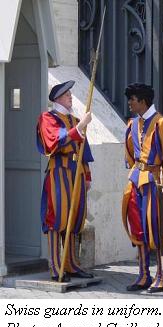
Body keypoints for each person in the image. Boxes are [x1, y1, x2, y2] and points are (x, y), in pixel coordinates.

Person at [122, 83, 163, 293]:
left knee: (158, 227)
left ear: (143, 101)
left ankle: (161, 276)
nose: (129, 103)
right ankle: (143, 275)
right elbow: (129, 153)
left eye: (132, 99)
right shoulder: (131, 124)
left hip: (155, 180)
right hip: (136, 180)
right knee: (138, 228)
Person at [37, 80, 94, 282]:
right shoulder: (48, 118)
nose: (70, 96)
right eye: (67, 94)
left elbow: (83, 152)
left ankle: (70, 264)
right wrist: (80, 127)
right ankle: (54, 265)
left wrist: (87, 176)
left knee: (75, 217)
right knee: (57, 218)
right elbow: (57, 141)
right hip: (59, 171)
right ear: (58, 98)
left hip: (75, 172)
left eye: (70, 94)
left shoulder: (75, 119)